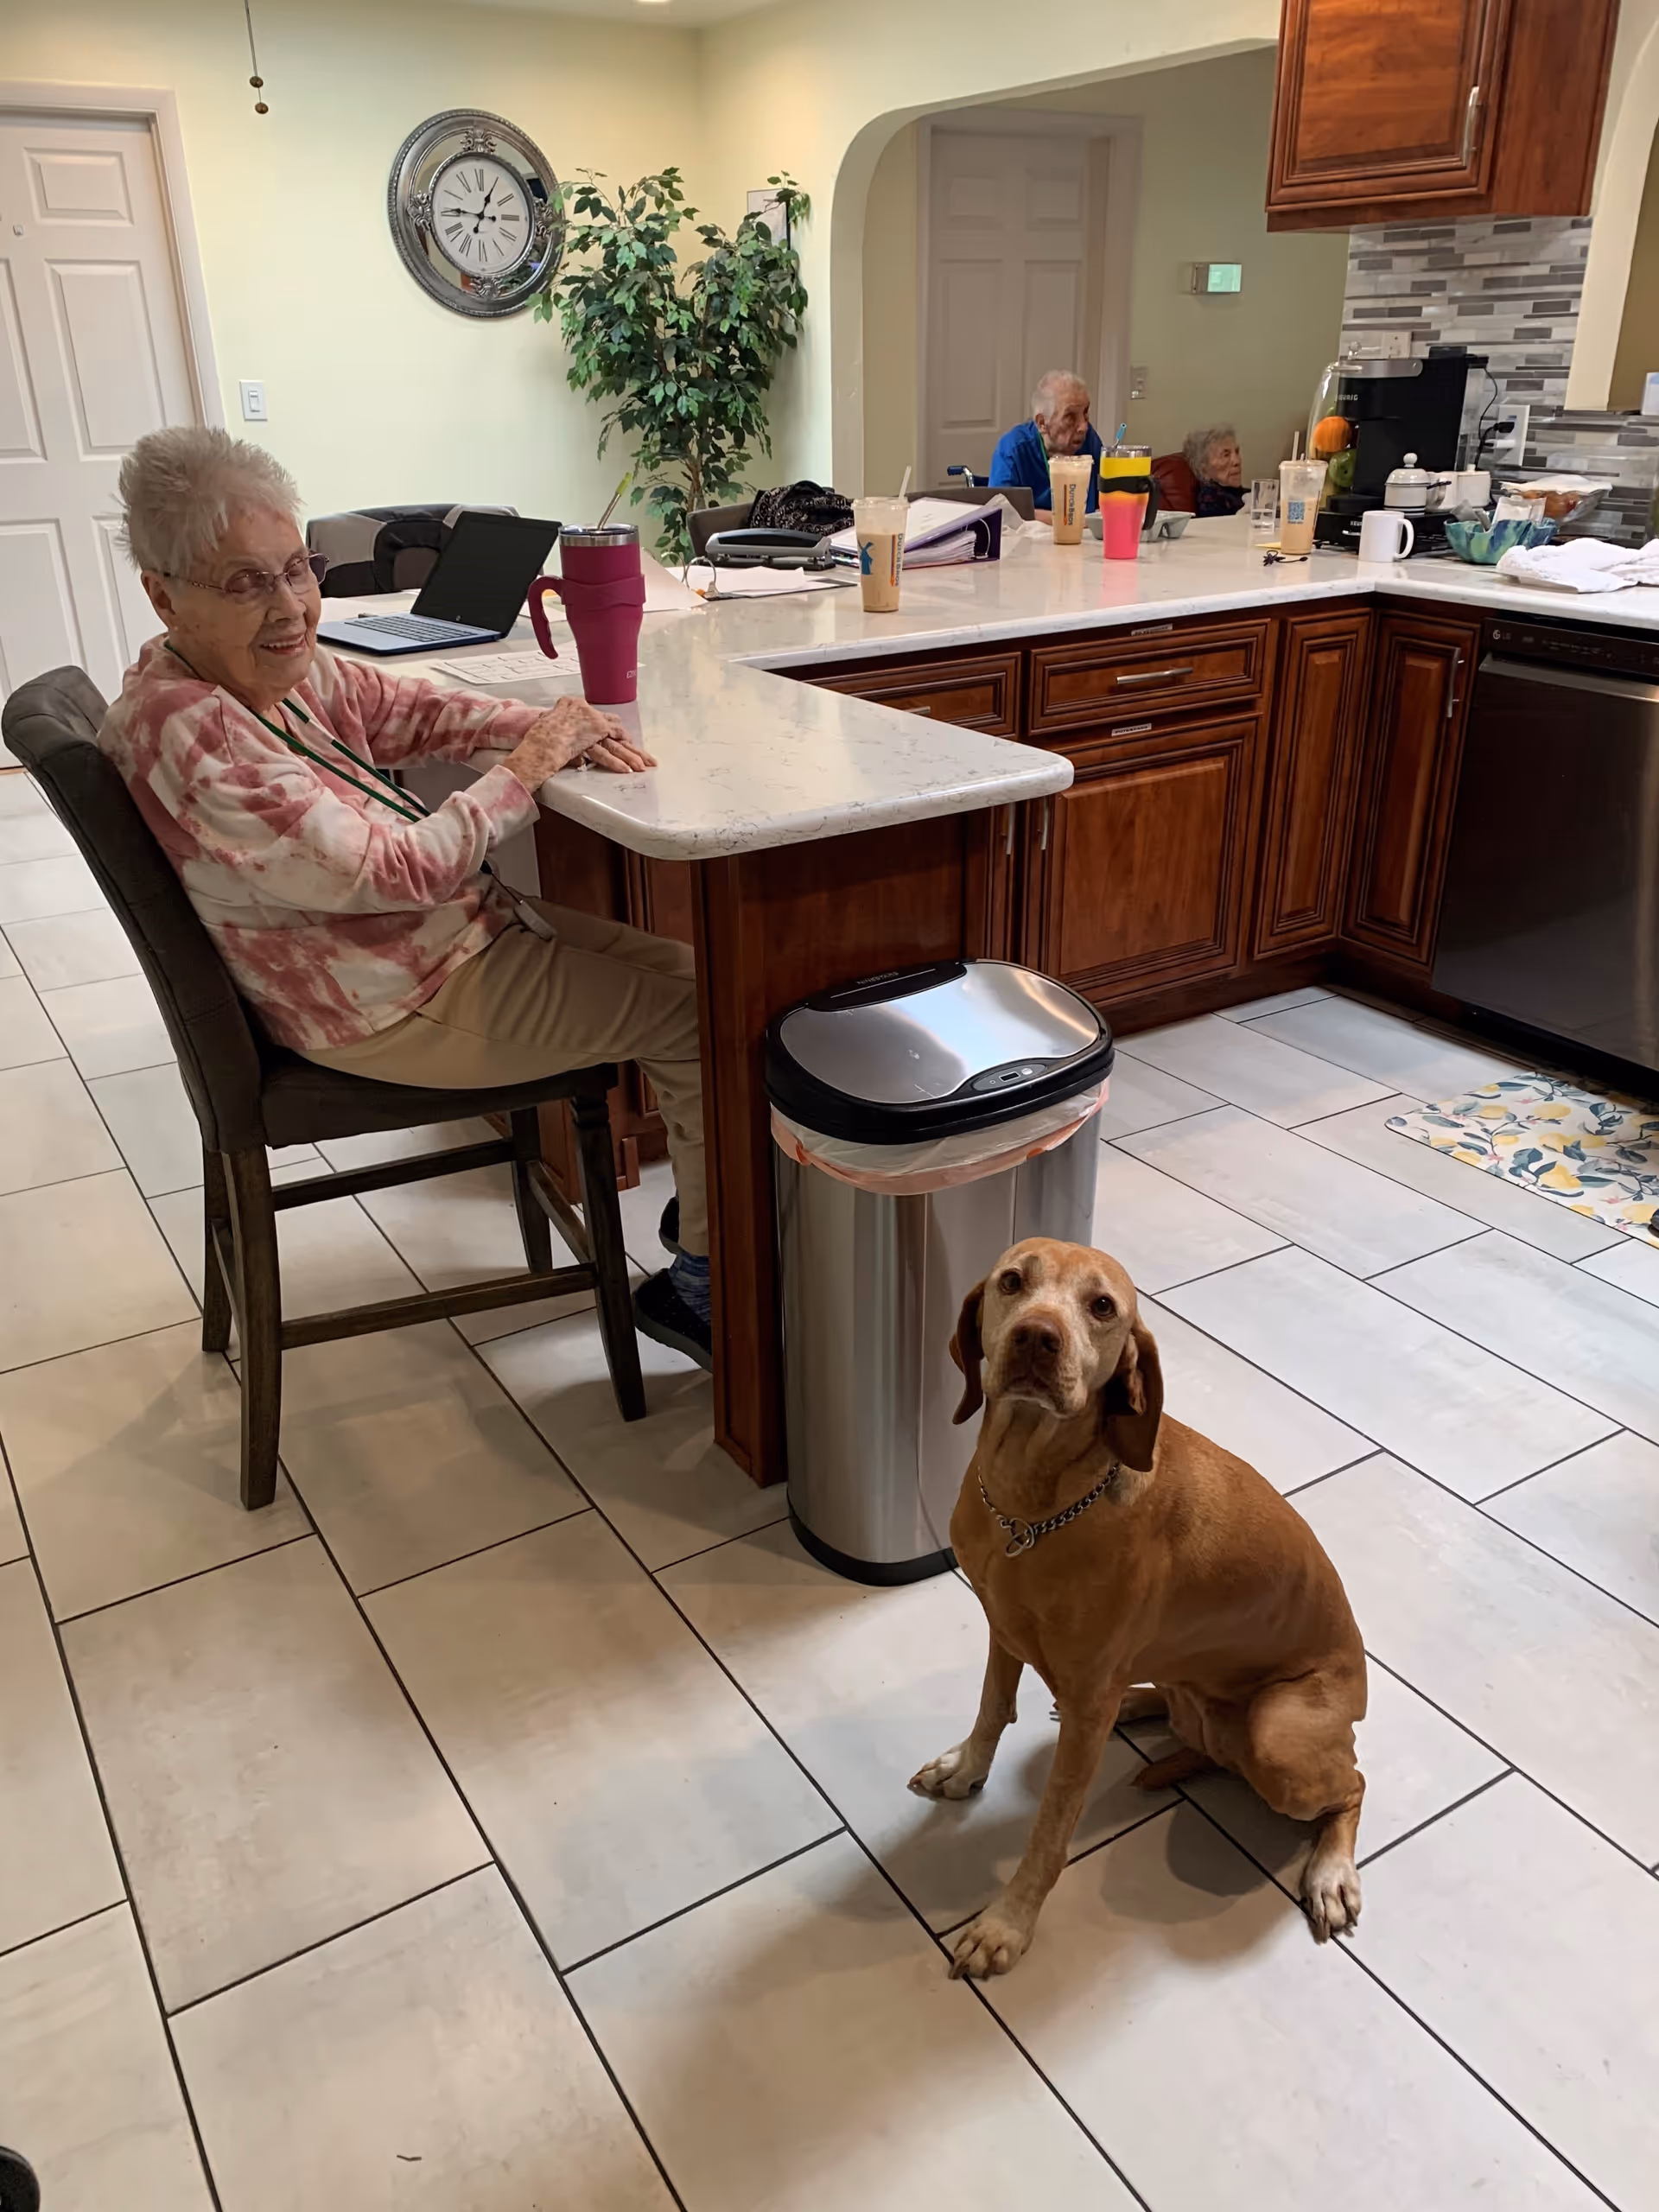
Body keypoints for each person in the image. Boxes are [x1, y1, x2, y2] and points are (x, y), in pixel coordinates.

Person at [102, 426, 714, 1368]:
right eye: (245, 583)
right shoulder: (195, 732)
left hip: (429, 947)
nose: (291, 607)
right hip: (388, 997)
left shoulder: (248, 671)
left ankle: (709, 1223)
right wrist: (524, 767)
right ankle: (708, 1288)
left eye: (298, 569)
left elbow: (401, 710)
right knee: (698, 1019)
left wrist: (551, 725)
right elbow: (399, 870)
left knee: (695, 979)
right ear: (162, 594)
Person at [988, 371, 1104, 519]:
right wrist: (1070, 521)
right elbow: (1001, 513)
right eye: (1070, 416)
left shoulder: (1089, 441)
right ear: (1042, 423)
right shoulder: (1013, 449)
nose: (1083, 427)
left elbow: (1111, 500)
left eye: (1086, 413)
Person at [1184, 424, 1246, 518]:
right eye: (1226, 455)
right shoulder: (1211, 502)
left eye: (1236, 452)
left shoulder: (1242, 494)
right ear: (1203, 469)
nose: (1237, 461)